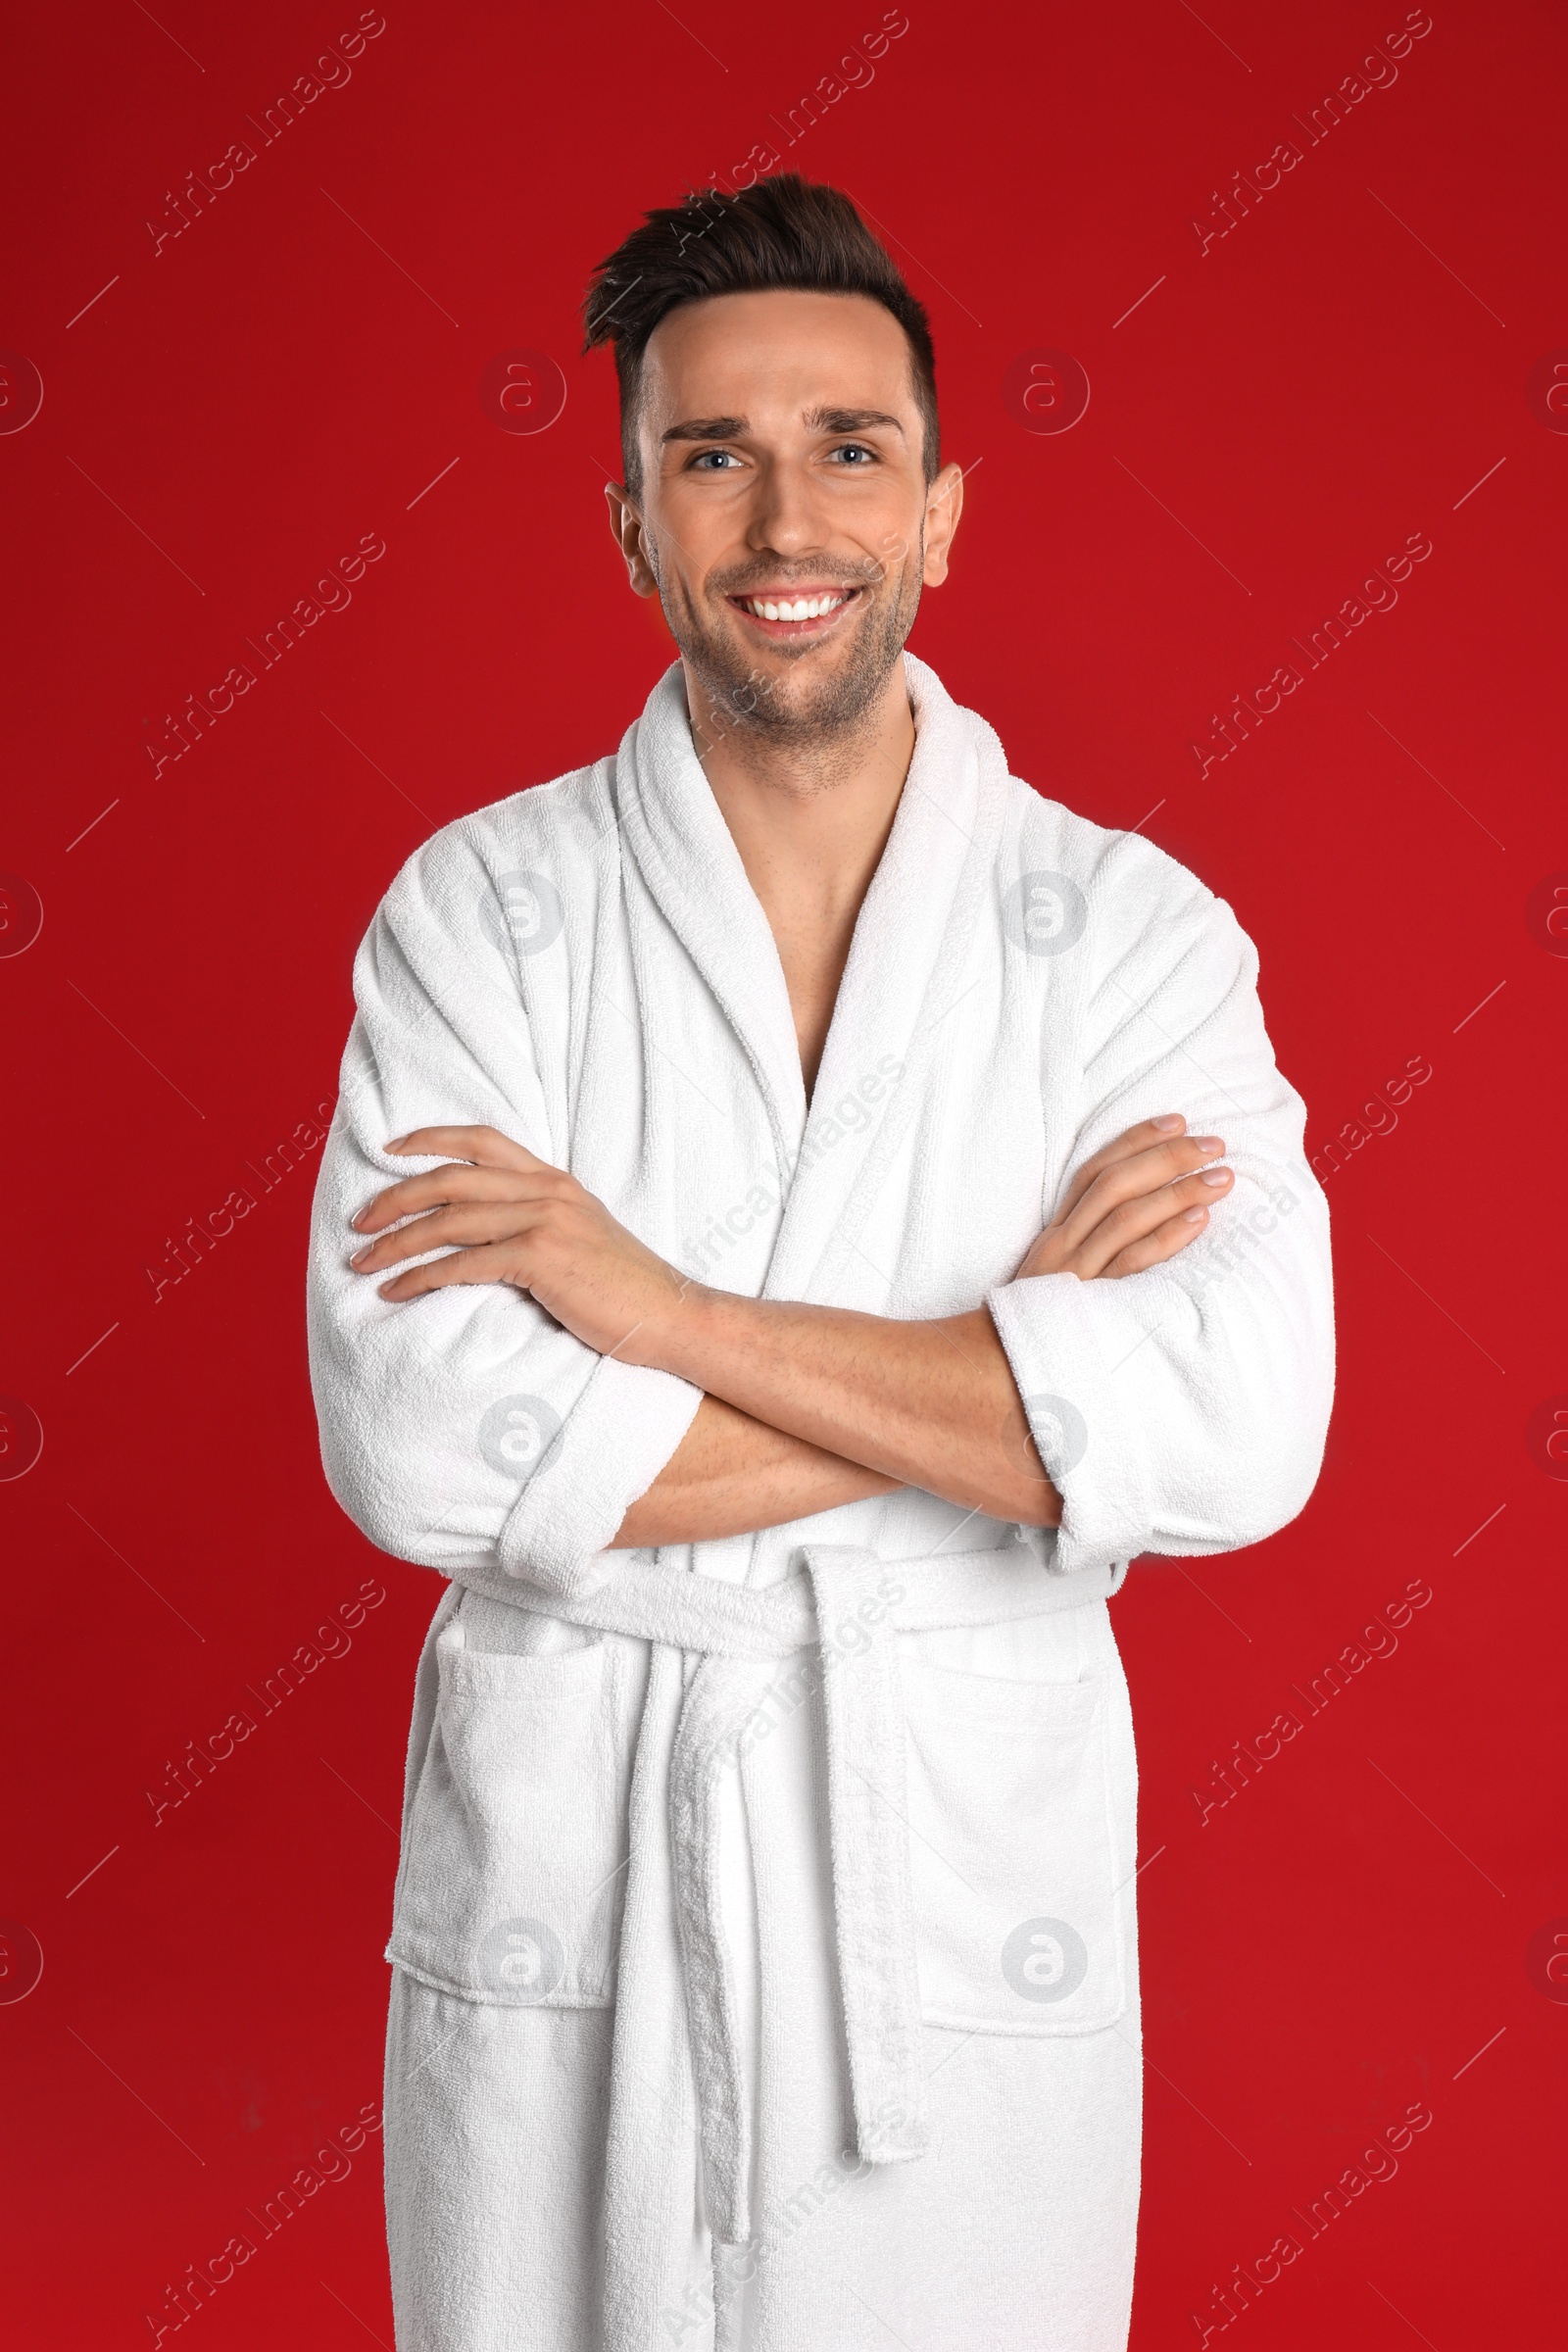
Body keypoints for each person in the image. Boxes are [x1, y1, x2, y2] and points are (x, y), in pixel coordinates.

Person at [306, 173, 1334, 2352]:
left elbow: (1238, 1434)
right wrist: (1004, 1382)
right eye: (713, 457)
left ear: (941, 512)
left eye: (847, 449)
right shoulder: (479, 919)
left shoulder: (1128, 938)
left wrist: (650, 1318)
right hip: (575, 1881)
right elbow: (422, 1456)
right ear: (629, 525)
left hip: (950, 1898)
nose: (788, 522)